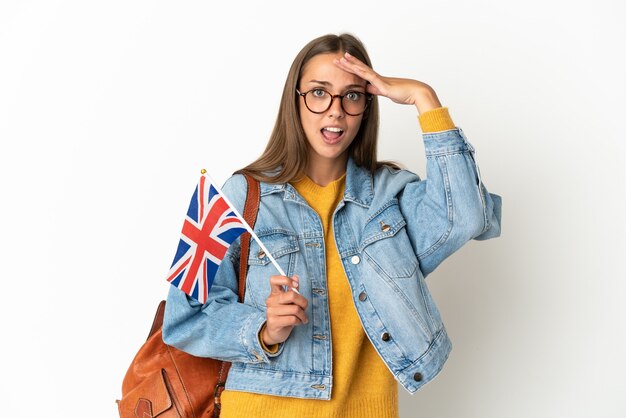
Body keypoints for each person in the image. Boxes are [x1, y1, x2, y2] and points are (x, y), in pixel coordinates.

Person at [163, 33, 502, 418]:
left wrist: (424, 99)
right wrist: (263, 329)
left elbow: (466, 216)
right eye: (319, 93)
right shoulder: (238, 194)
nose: (335, 111)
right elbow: (184, 316)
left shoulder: (391, 194)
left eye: (352, 95)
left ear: (368, 105)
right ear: (296, 100)